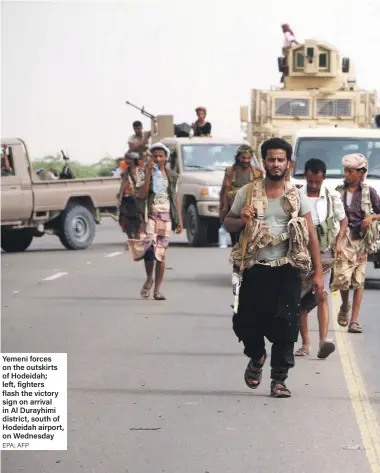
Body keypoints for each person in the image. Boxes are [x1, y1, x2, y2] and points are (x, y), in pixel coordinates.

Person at [224, 137, 324, 398]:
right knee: (245, 323)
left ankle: (279, 379)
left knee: (286, 326)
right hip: (254, 268)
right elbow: (228, 223)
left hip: (287, 269)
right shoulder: (248, 192)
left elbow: (312, 235)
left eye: (280, 159)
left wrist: (318, 275)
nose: (276, 164)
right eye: (271, 159)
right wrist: (242, 219)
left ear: (288, 163)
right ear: (264, 162)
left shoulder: (296, 195)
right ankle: (257, 357)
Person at [295, 159, 348, 359]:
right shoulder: (297, 196)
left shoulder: (332, 196)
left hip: (325, 253)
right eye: (311, 181)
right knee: (300, 301)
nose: (314, 185)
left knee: (322, 294)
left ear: (323, 178)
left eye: (317, 181)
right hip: (301, 254)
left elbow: (343, 221)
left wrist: (339, 242)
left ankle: (323, 340)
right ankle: (305, 343)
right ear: (306, 177)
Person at [331, 153, 380, 333]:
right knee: (343, 279)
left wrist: (372, 216)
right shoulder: (337, 191)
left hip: (362, 241)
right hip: (343, 238)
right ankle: (345, 305)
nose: (346, 174)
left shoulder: (369, 192)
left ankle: (354, 321)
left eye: (350, 171)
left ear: (360, 173)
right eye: (345, 170)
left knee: (359, 280)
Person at [136, 142, 183, 300]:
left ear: (166, 158)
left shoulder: (172, 176)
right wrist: (149, 174)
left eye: (160, 156)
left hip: (166, 217)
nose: (157, 158)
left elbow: (175, 197)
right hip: (150, 216)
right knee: (149, 251)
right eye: (155, 156)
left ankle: (157, 289)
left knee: (161, 254)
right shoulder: (143, 173)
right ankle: (149, 278)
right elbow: (141, 195)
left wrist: (179, 220)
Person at [219, 144, 263, 246]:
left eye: (249, 158)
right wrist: (223, 210)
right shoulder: (230, 171)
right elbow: (224, 191)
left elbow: (261, 193)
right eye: (243, 158)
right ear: (238, 157)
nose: (246, 160)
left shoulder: (257, 173)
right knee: (235, 241)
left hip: (251, 212)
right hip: (233, 212)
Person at [117, 152, 146, 248]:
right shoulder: (127, 170)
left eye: (128, 159)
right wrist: (120, 194)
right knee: (124, 220)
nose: (126, 161)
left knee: (137, 221)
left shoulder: (140, 171)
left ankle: (136, 240)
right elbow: (123, 182)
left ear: (133, 160)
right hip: (126, 199)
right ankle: (130, 239)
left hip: (136, 200)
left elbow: (142, 184)